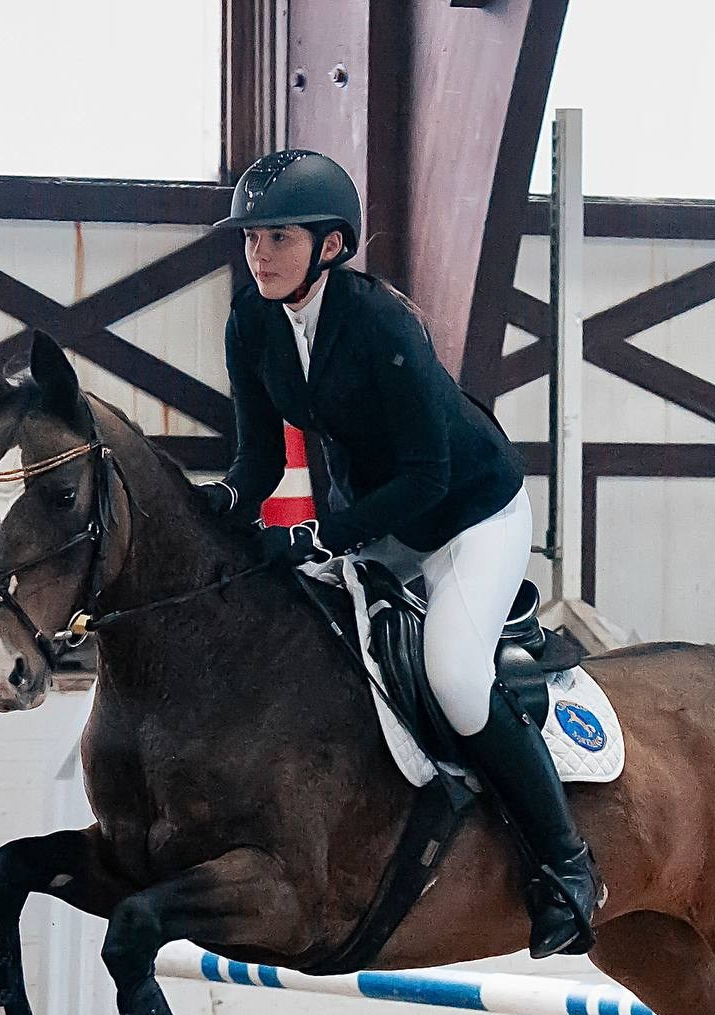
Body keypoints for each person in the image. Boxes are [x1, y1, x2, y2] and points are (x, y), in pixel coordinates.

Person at [203, 148, 602, 957]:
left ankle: (569, 866)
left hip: (470, 511)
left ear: (332, 246)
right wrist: (206, 510)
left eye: (278, 238)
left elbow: (430, 474)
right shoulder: (250, 323)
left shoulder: (381, 325)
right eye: (250, 238)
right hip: (379, 516)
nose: (258, 254)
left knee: (456, 676)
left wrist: (321, 535)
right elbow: (261, 464)